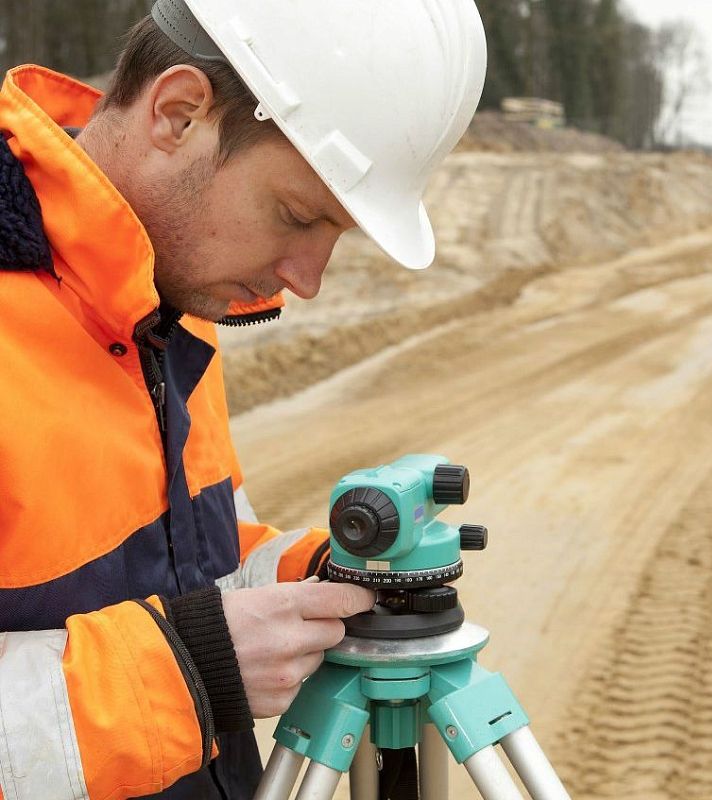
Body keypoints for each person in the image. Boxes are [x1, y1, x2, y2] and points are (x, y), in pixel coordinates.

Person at [0, 1, 486, 798]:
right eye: (296, 216)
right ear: (179, 113)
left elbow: (190, 561)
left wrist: (320, 578)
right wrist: (185, 670)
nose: (307, 279)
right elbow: (187, 644)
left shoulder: (165, 304)